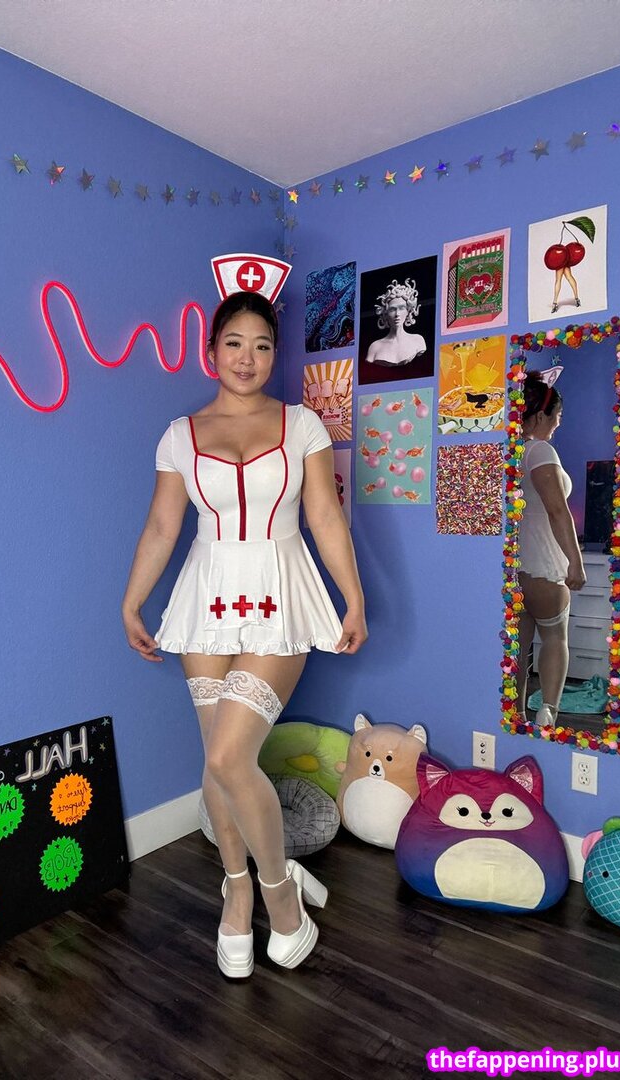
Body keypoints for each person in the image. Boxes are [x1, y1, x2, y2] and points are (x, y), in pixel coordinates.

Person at [122, 290, 367, 977]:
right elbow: (163, 525)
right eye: (234, 343)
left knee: (233, 757)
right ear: (212, 351)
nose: (247, 358)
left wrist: (353, 599)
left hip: (280, 593)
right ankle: (236, 892)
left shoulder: (302, 424)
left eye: (262, 346)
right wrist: (132, 603)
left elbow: (324, 515)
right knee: (216, 761)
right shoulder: (179, 435)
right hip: (205, 598)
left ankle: (279, 893)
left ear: (274, 355)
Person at [515, 370, 586, 728]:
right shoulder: (540, 450)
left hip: (514, 567)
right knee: (555, 639)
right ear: (542, 415)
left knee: (518, 650)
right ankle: (548, 714)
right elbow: (558, 511)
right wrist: (576, 562)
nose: (558, 424)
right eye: (557, 416)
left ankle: (515, 716)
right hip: (543, 564)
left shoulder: (510, 451)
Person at [364, 278, 426, 367]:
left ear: (408, 311)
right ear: (386, 313)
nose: (397, 314)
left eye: (401, 308)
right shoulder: (375, 347)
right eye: (392, 309)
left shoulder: (418, 341)